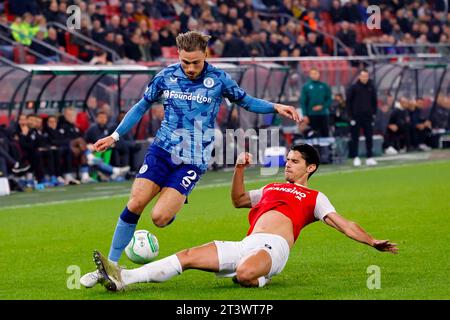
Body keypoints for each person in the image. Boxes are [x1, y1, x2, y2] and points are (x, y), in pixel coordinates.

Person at [80, 31, 300, 287]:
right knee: (136, 202)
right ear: (178, 56)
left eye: (196, 62)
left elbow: (245, 101)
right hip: (162, 150)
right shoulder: (166, 76)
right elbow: (141, 105)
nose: (191, 67)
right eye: (186, 62)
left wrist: (274, 107)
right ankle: (112, 265)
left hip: (193, 160)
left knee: (160, 219)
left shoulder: (218, 79)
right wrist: (115, 136)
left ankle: (174, 197)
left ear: (206, 55)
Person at [91, 144, 398, 291]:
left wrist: (371, 241)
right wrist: (239, 169)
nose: (288, 165)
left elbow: (343, 224)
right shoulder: (271, 187)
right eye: (287, 160)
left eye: (294, 161)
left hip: (273, 250)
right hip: (247, 242)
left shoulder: (315, 198)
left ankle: (259, 276)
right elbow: (239, 200)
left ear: (311, 168)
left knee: (245, 274)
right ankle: (123, 278)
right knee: (187, 256)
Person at [346, 69, 378, 167]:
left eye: (366, 76)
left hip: (368, 117)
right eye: (363, 76)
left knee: (369, 137)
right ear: (359, 77)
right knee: (355, 137)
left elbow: (374, 102)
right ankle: (356, 157)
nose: (365, 78)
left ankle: (369, 157)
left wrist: (374, 114)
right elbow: (348, 103)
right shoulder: (353, 88)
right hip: (356, 117)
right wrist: (350, 116)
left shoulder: (371, 87)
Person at [299, 68, 332, 137]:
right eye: (312, 74)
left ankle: (325, 147)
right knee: (313, 134)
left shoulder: (324, 86)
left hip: (323, 114)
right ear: (310, 75)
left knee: (325, 134)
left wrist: (322, 106)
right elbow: (303, 102)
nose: (314, 75)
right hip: (311, 115)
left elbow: (329, 99)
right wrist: (305, 115)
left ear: (319, 74)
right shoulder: (306, 86)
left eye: (316, 73)